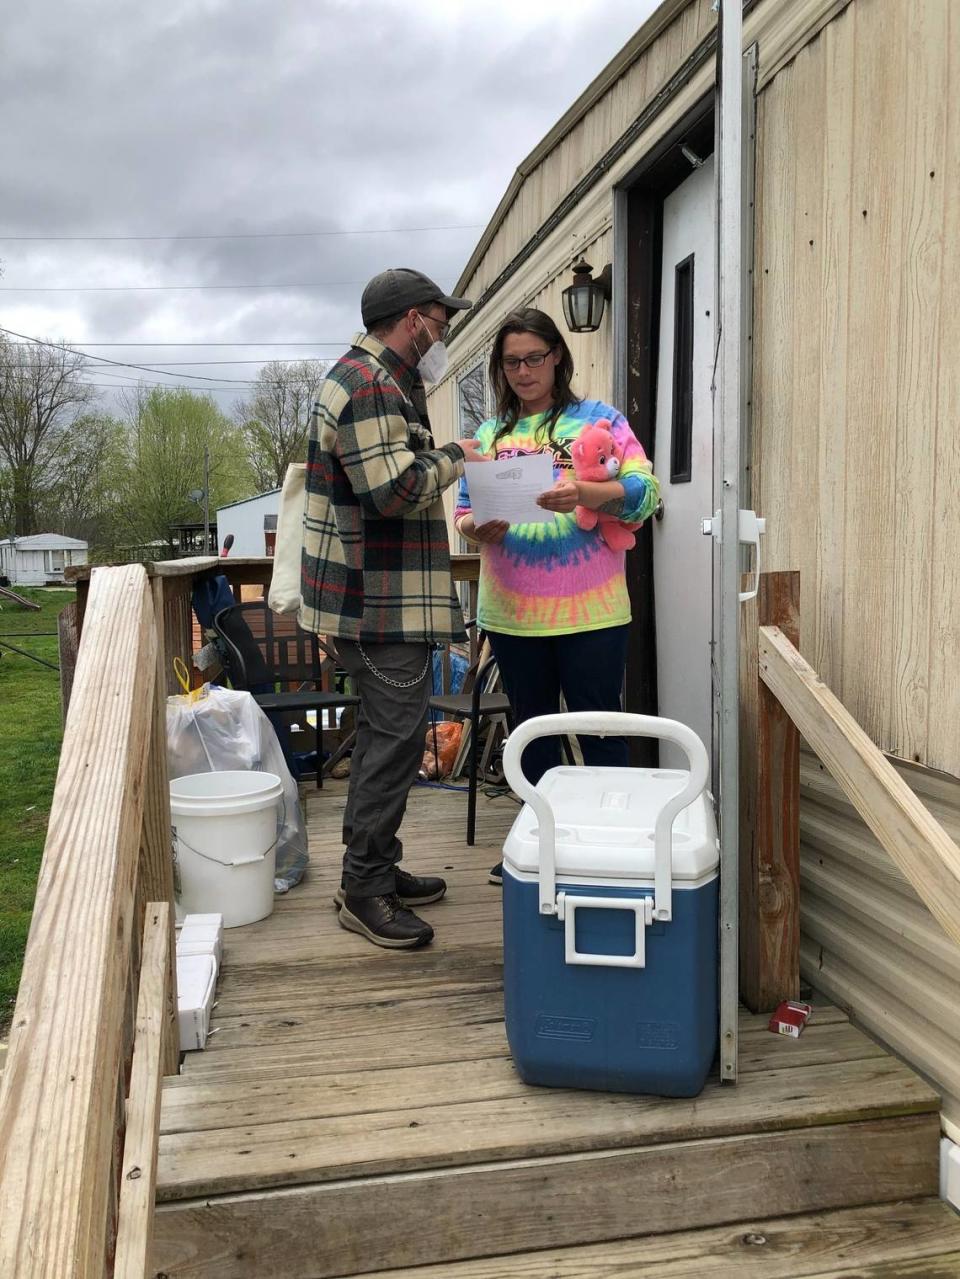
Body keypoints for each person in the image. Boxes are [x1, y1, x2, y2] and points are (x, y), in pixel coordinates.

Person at [300, 268, 488, 948]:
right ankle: (365, 889)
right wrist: (456, 456)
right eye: (442, 320)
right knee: (396, 738)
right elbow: (394, 489)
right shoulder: (372, 386)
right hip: (376, 602)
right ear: (413, 318)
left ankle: (371, 866)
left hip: (371, 597)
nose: (444, 332)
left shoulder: (368, 378)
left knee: (386, 736)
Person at [454, 308, 660, 884]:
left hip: (592, 613)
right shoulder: (491, 435)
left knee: (600, 730)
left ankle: (609, 848)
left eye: (534, 358)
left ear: (558, 357)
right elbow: (464, 513)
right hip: (514, 614)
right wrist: (476, 530)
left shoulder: (601, 419)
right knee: (531, 734)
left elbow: (646, 492)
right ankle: (539, 844)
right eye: (511, 361)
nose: (523, 371)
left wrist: (586, 493)